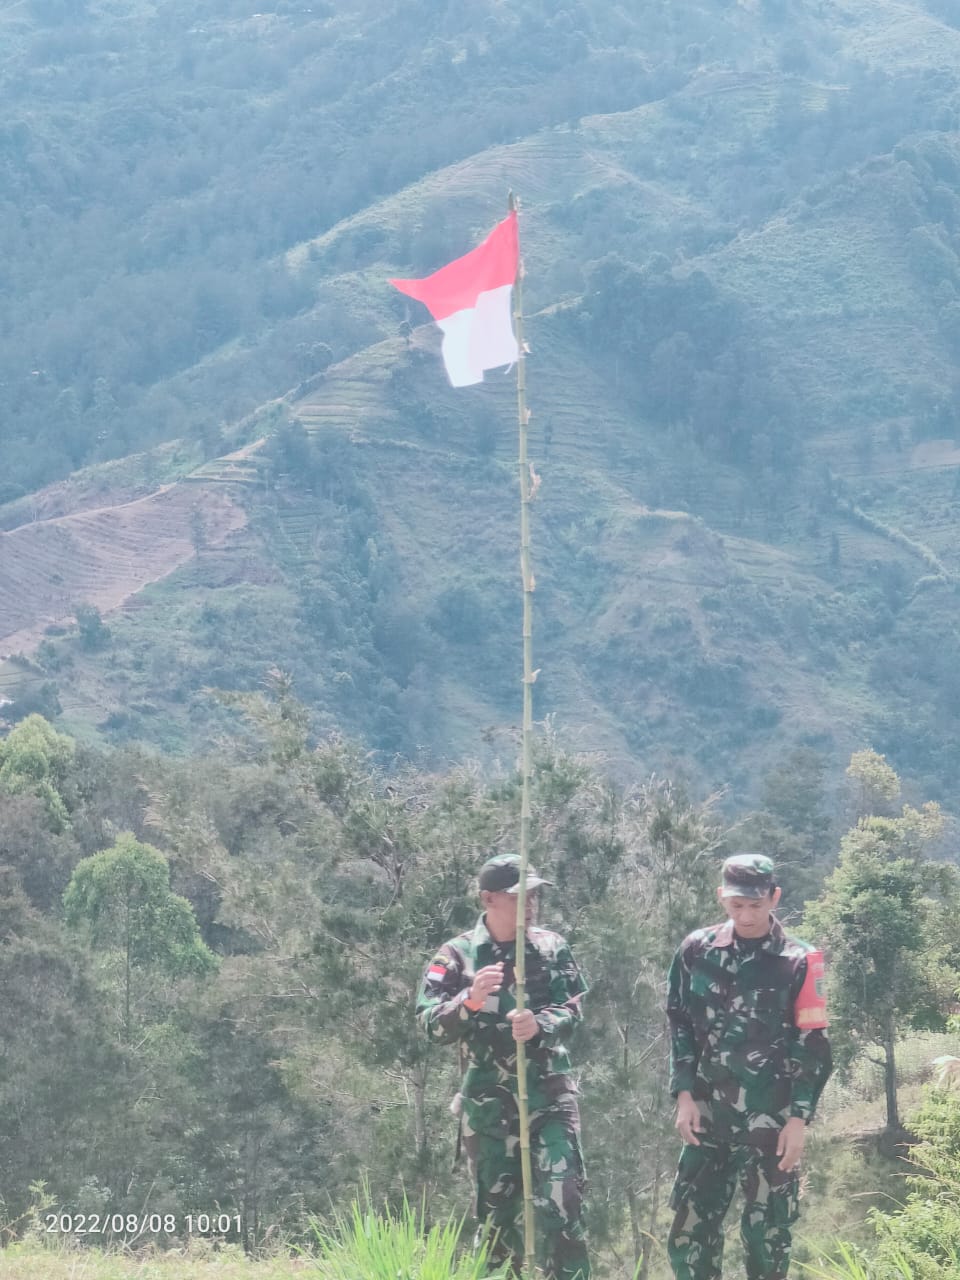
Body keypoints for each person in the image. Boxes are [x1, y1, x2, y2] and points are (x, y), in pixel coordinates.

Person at [416, 852, 590, 1280]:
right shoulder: (457, 955)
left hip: (550, 1096)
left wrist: (541, 1023)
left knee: (563, 1204)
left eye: (534, 896)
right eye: (519, 897)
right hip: (490, 1106)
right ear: (488, 899)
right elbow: (430, 1025)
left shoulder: (552, 948)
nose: (531, 905)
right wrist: (469, 1001)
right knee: (497, 1221)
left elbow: (574, 1011)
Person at [666, 853, 833, 1280]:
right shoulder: (695, 951)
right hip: (707, 1117)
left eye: (756, 905)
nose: (746, 915)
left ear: (774, 897)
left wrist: (799, 1119)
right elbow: (679, 1020)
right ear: (722, 897)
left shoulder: (800, 960)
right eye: (737, 905)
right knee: (689, 1238)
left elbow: (813, 1044)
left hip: (771, 1123)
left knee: (766, 1241)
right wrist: (684, 1093)